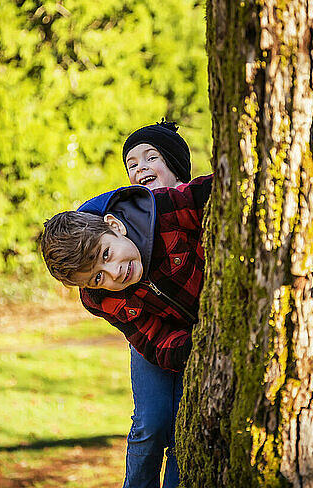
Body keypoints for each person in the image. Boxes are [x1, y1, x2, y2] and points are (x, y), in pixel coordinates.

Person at [41, 126, 212, 488]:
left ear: (115, 226)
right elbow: (149, 335)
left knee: (186, 421)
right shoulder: (101, 296)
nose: (114, 273)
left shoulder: (164, 209)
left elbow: (207, 193)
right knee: (151, 422)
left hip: (198, 321)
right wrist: (191, 349)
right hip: (164, 342)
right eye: (98, 277)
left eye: (106, 256)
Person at [120, 119, 191, 488]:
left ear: (175, 164)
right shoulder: (126, 218)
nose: (140, 167)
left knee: (185, 427)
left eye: (151, 157)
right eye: (132, 164)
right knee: (150, 423)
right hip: (148, 334)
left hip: (194, 335)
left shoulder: (195, 208)